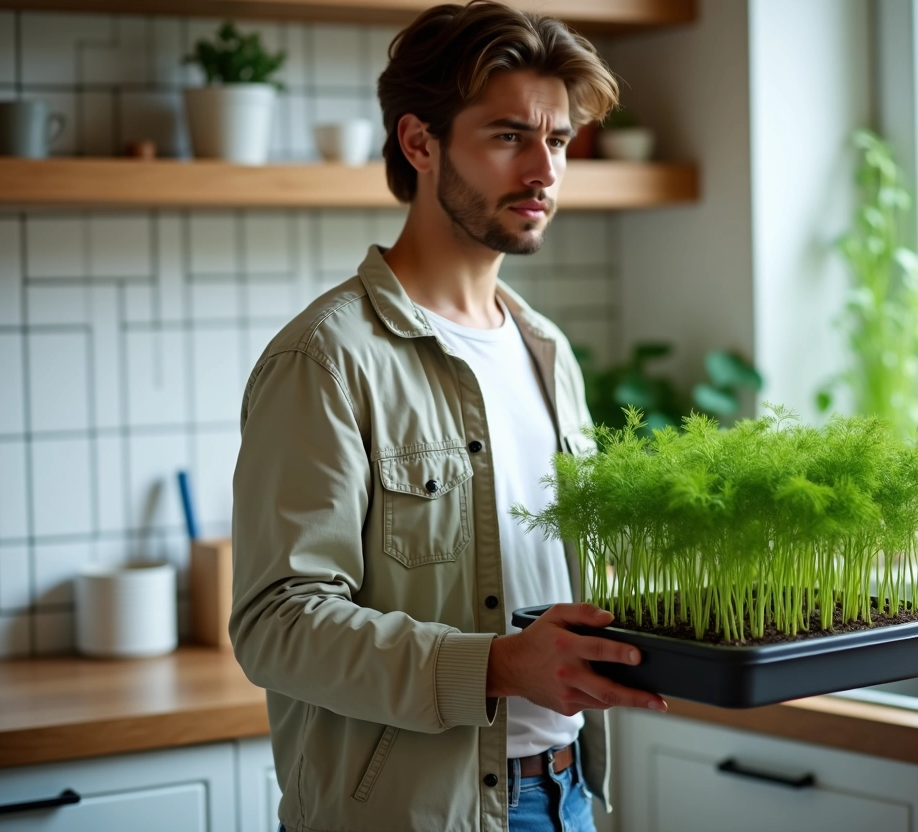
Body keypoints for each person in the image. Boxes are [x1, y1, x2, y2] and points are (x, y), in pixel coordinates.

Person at [229, 3, 668, 831]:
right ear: (420, 143)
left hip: (567, 793)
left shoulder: (546, 351)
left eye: (560, 140)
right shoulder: (329, 359)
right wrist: (496, 667)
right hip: (419, 814)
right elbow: (276, 624)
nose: (543, 170)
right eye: (508, 136)